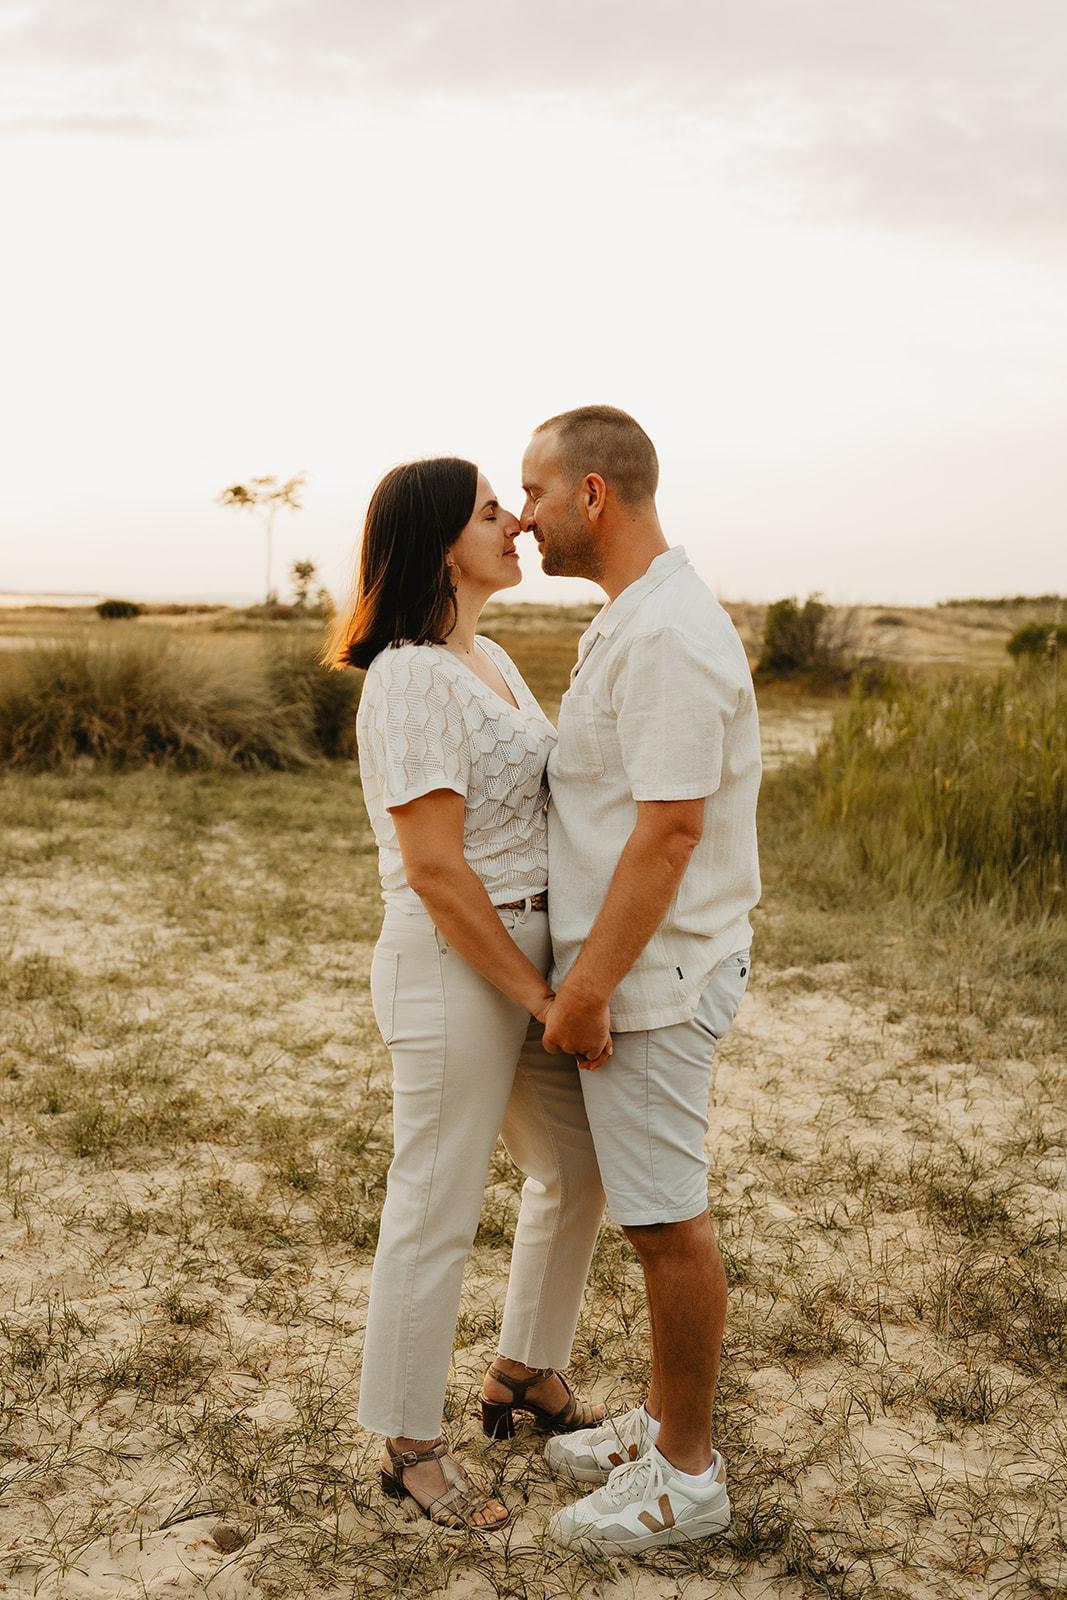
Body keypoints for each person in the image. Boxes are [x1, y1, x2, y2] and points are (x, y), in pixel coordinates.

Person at [329, 456, 607, 1532]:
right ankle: (407, 1447)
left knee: (576, 1166)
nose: (516, 525)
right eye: (492, 511)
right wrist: (541, 999)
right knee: (436, 1198)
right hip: (454, 961)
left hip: (528, 956)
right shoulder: (407, 676)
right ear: (440, 542)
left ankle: (524, 1370)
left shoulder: (488, 658)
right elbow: (438, 870)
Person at [518, 406, 761, 1554]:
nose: (524, 516)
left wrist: (586, 987)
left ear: (592, 495)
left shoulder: (665, 632)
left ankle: (686, 1475)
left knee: (666, 1224)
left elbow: (668, 831)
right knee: (652, 1211)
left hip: (653, 976)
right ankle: (661, 1423)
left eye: (534, 491)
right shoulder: (635, 615)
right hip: (640, 965)